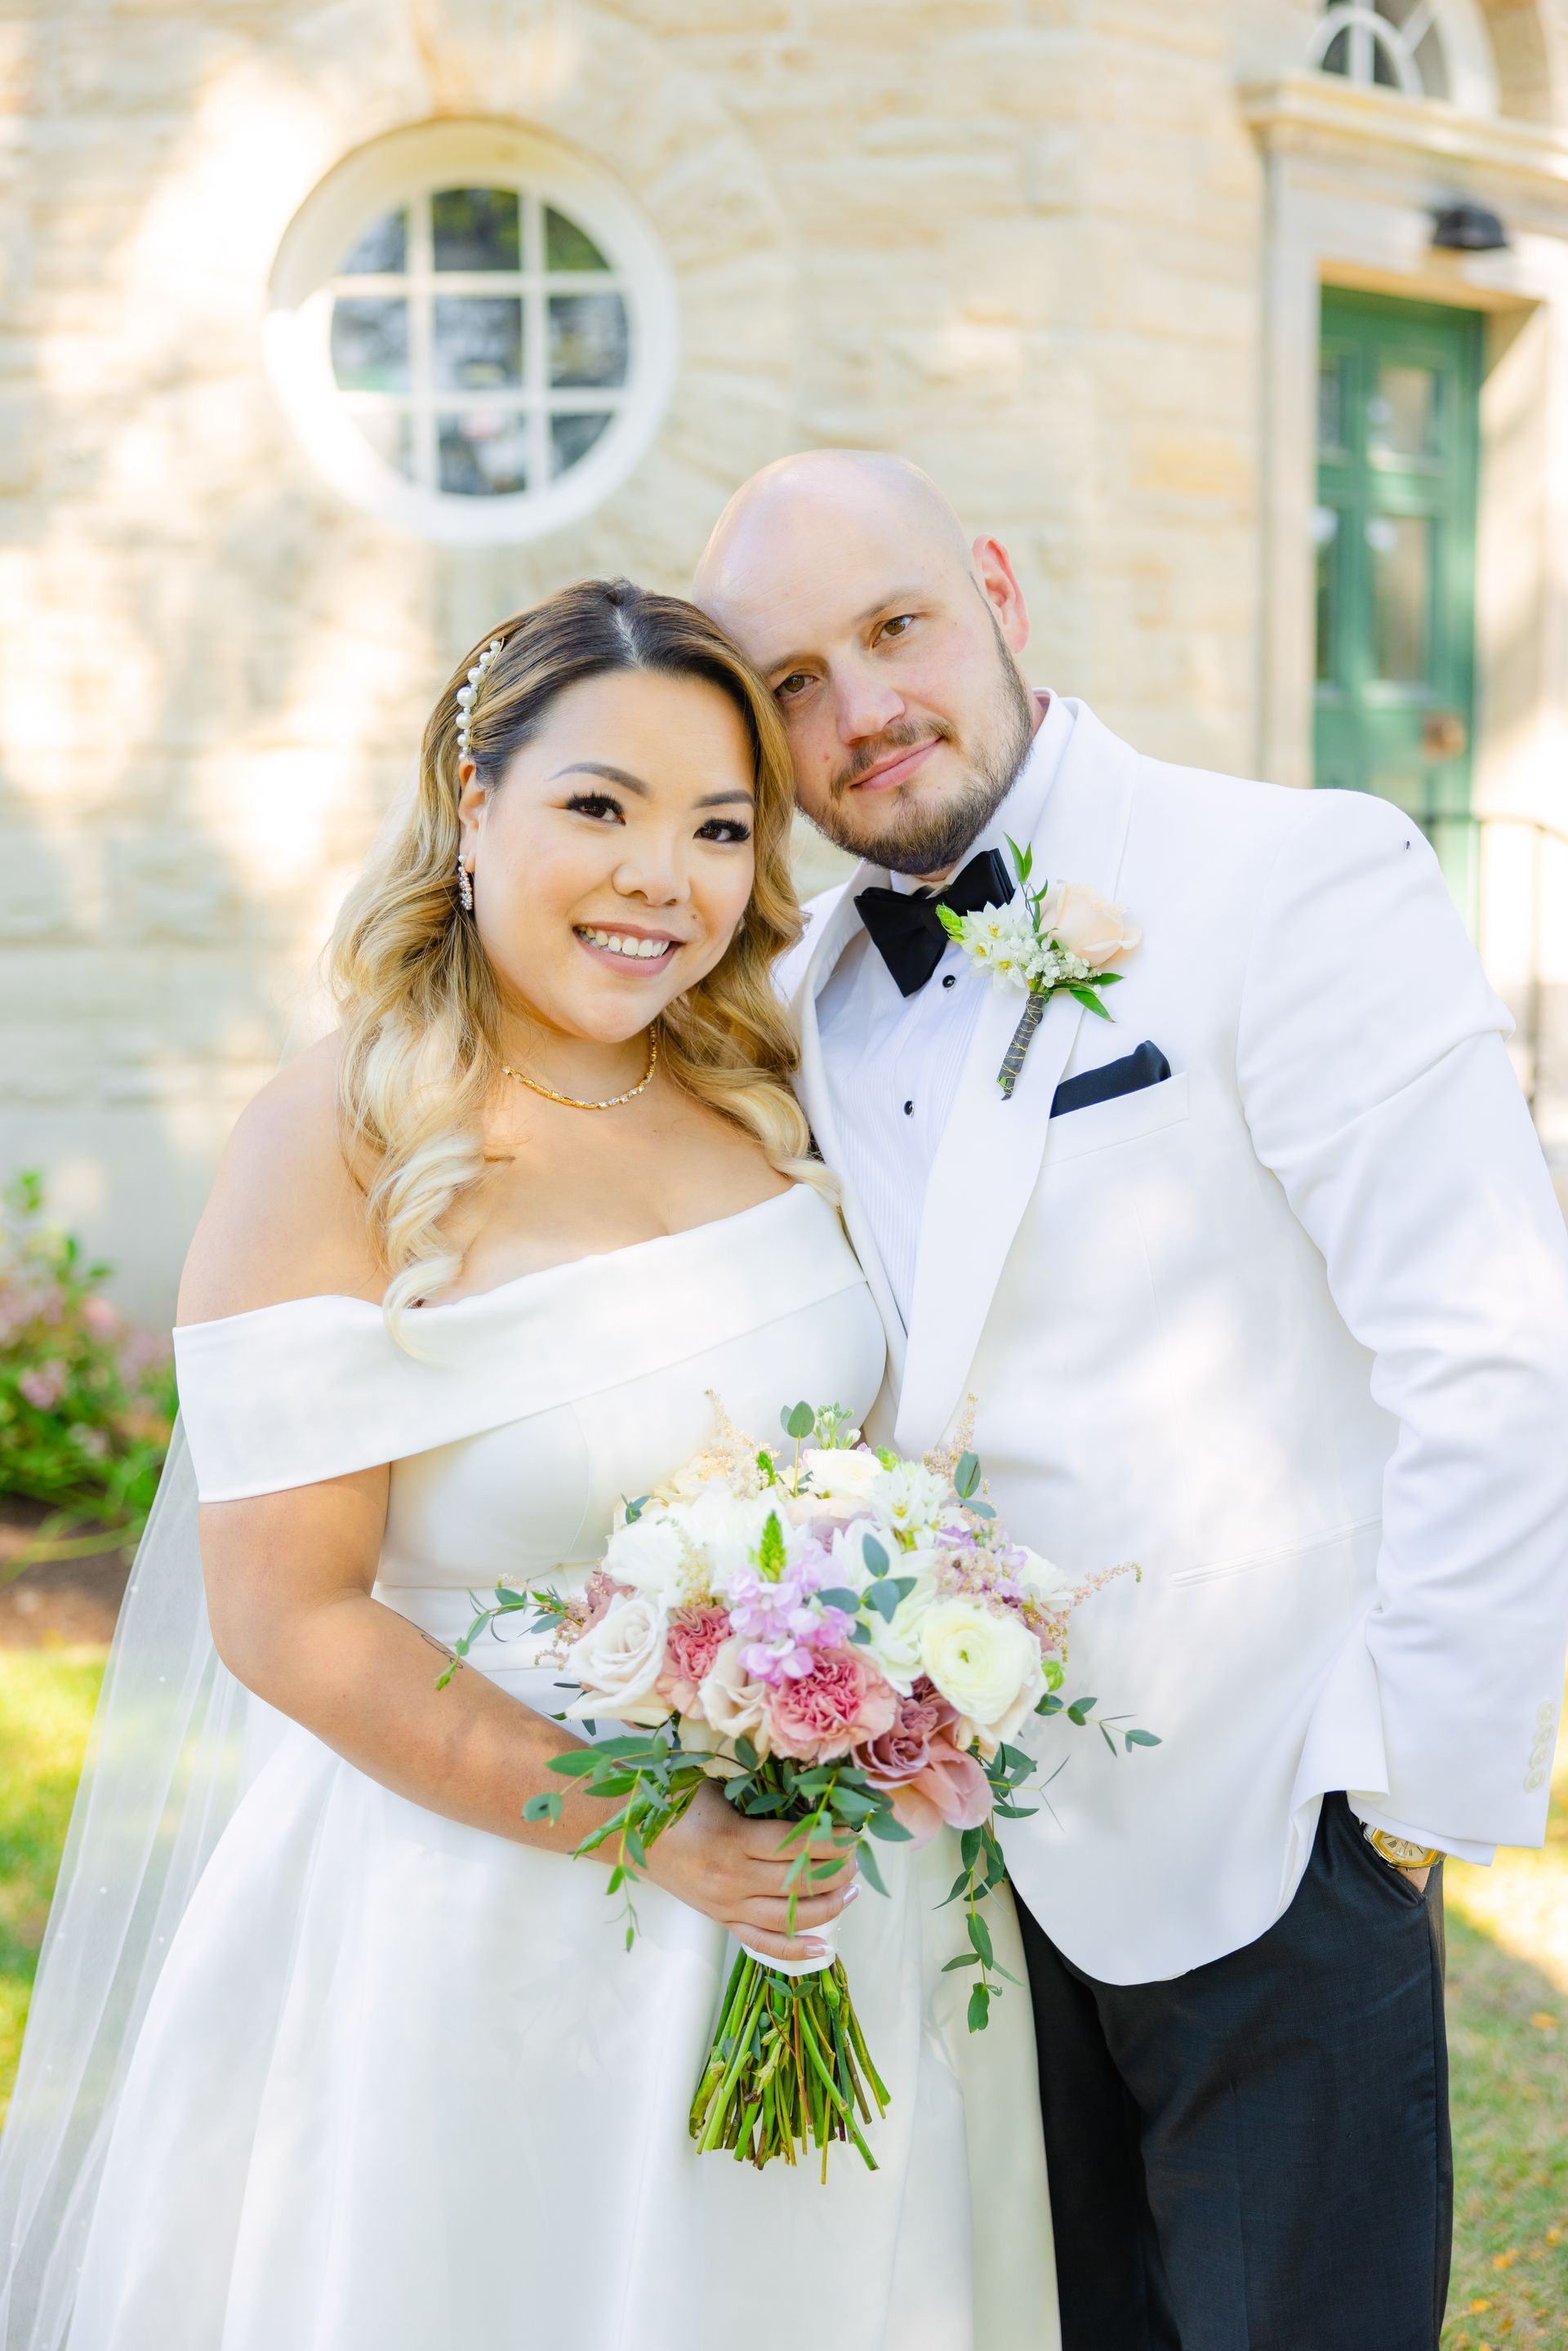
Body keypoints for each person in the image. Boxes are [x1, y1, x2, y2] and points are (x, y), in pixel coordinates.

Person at [0, 580, 1052, 2351]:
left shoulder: (764, 1086)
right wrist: (660, 1835)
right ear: (473, 806)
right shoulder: (339, 1132)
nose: (666, 879)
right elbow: (288, 1618)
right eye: (601, 807)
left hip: (828, 1896)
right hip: (488, 1920)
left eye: (722, 827)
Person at [695, 450, 1568, 2351]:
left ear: (998, 588)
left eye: (897, 626)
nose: (862, 711)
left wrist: (1404, 1795)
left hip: (1274, 1821)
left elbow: (1495, 1345)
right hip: (969, 1871)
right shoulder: (815, 986)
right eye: (789, 684)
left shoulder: (1296, 873)